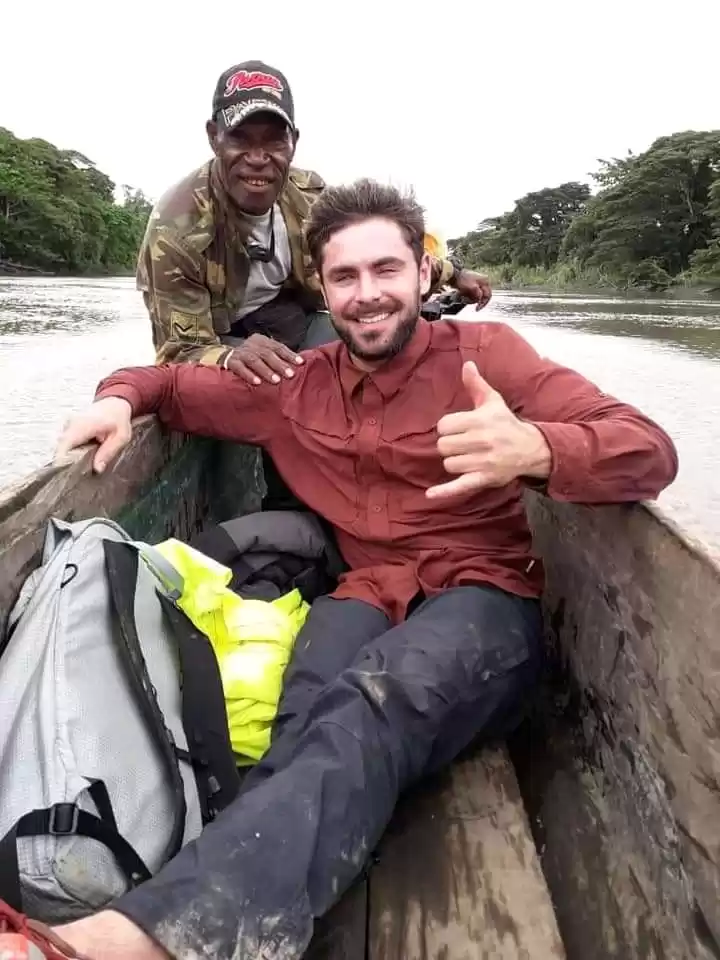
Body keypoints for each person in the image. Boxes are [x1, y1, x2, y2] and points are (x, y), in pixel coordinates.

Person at [37, 179, 676, 960]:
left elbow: (647, 447)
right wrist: (117, 400)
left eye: (386, 271)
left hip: (482, 597)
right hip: (366, 592)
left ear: (421, 275)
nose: (368, 295)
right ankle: (237, 902)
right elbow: (172, 385)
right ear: (324, 289)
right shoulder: (295, 386)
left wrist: (539, 449)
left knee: (375, 701)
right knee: (300, 713)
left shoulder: (488, 355)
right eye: (345, 277)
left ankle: (144, 940)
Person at [138, 59, 492, 387]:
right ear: (214, 137)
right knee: (240, 387)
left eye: (274, 140)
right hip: (217, 334)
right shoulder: (176, 230)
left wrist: (456, 274)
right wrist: (230, 355)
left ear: (293, 142)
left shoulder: (310, 197)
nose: (258, 158)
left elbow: (378, 255)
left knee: (383, 342)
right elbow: (178, 351)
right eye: (240, 139)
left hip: (286, 317)